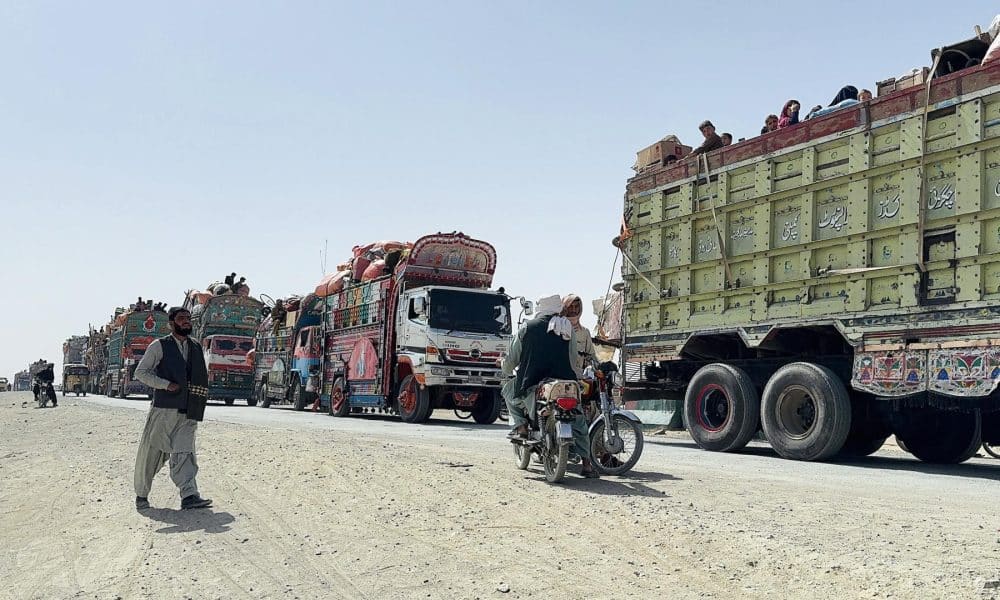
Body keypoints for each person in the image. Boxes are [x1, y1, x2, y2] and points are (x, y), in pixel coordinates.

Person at [501, 295, 600, 478]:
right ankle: (587, 465)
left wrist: (504, 367)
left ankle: (521, 427)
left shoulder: (527, 328)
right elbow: (572, 360)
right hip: (564, 384)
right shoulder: (566, 327)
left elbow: (511, 361)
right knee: (578, 420)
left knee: (507, 391)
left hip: (533, 384)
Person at [132, 307, 212, 511]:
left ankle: (189, 495)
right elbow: (141, 373)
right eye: (181, 318)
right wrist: (165, 384)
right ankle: (141, 495)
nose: (186, 322)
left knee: (185, 452)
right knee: (152, 453)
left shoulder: (195, 346)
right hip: (164, 410)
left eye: (188, 318)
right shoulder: (159, 346)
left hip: (188, 409)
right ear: (171, 323)